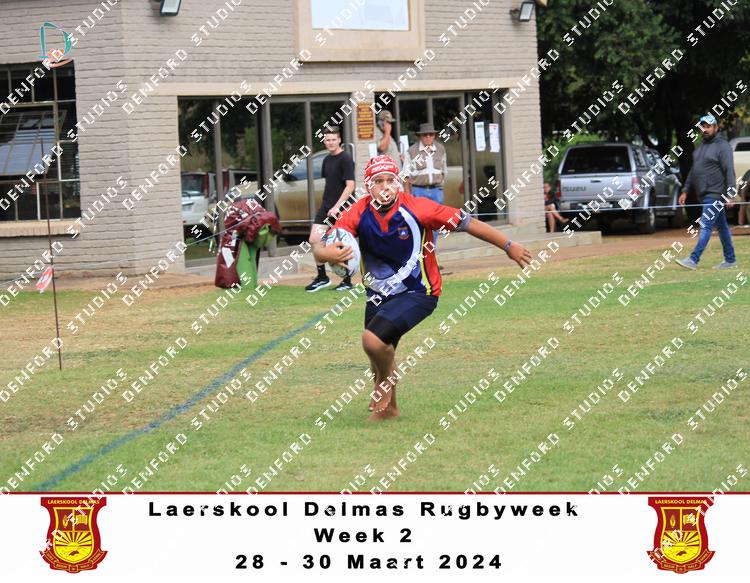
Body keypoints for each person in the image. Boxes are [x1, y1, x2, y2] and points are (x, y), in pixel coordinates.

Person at [312, 155, 533, 421]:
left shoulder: (419, 208)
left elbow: (468, 223)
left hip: (419, 292)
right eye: (378, 181)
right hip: (378, 295)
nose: (385, 187)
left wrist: (509, 246)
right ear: (368, 186)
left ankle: (388, 380)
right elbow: (320, 246)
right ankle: (389, 411)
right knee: (377, 356)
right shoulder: (358, 211)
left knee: (372, 341)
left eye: (390, 180)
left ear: (399, 182)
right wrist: (327, 255)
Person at [677, 114, 737, 270]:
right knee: (722, 227)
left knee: (705, 225)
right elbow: (693, 171)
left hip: (716, 194)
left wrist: (731, 194)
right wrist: (685, 191)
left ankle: (693, 259)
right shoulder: (700, 148)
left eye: (708, 126)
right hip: (704, 195)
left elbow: (729, 170)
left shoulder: (723, 146)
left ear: (716, 127)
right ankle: (730, 260)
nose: (705, 129)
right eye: (703, 126)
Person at [305, 127, 356, 292]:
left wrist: (337, 206)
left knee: (342, 243)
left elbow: (350, 185)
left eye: (333, 139)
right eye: (327, 140)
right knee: (314, 239)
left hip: (342, 208)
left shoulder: (346, 159)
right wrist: (328, 205)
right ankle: (322, 277)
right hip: (326, 207)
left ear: (339, 140)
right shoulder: (326, 160)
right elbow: (330, 183)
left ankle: (347, 281)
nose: (330, 142)